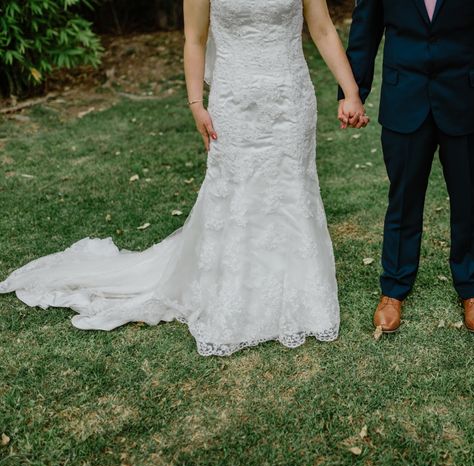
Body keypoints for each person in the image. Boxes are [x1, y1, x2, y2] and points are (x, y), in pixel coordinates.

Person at [0, 0, 368, 357]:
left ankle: (301, 299)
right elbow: (194, 39)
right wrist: (196, 104)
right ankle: (236, 298)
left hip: (289, 100)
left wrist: (350, 92)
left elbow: (321, 28)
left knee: (291, 191)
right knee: (238, 194)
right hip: (234, 102)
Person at [338, 0, 474, 334]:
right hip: (404, 96)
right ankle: (393, 289)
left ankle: (472, 288)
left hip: (468, 98)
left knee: (469, 200)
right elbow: (365, 27)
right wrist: (353, 93)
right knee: (403, 199)